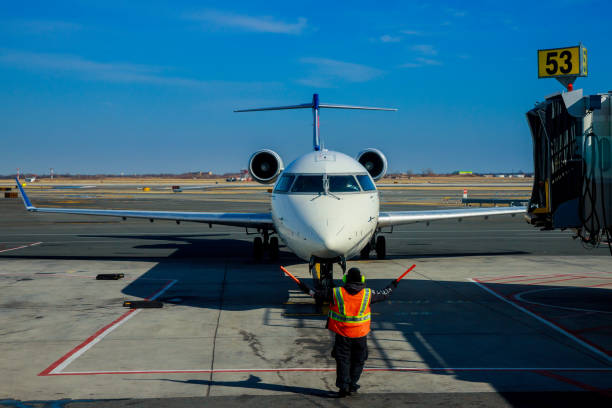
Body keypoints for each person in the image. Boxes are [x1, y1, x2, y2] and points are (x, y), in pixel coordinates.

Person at [296, 267, 399, 397]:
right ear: (361, 279)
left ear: (346, 279)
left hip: (342, 334)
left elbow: (315, 293)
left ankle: (343, 386)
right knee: (359, 360)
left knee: (343, 360)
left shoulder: (337, 292)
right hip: (360, 335)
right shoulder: (368, 294)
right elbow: (385, 293)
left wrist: (301, 285)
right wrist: (393, 284)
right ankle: (352, 384)